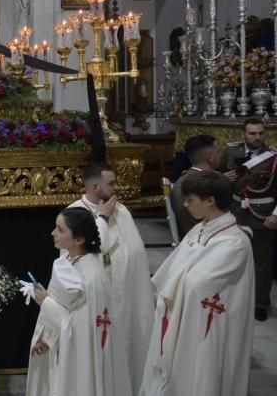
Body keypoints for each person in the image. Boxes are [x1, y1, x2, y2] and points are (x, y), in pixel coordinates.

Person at [139, 171, 254, 396]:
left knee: (199, 375)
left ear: (210, 200)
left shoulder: (234, 243)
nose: (186, 205)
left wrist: (179, 279)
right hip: (179, 315)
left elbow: (196, 284)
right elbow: (171, 272)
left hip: (206, 326)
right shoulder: (201, 228)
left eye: (191, 199)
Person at [26, 207, 132, 396]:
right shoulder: (69, 262)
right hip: (65, 351)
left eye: (60, 229)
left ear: (79, 239)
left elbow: (79, 328)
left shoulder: (92, 278)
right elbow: (68, 317)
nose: (53, 233)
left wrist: (45, 302)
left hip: (81, 362)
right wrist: (48, 338)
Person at [68, 162, 153, 393]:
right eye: (112, 183)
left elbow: (134, 252)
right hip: (97, 301)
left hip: (126, 294)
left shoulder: (122, 211)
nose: (117, 187)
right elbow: (90, 253)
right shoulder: (73, 215)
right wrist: (102, 219)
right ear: (95, 187)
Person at [219, 117, 277, 321]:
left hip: (262, 213)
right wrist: (222, 178)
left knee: (262, 262)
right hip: (235, 210)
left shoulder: (273, 157)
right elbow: (215, 176)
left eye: (261, 133)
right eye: (252, 133)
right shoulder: (231, 151)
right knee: (232, 257)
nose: (257, 137)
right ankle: (233, 299)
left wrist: (276, 214)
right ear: (243, 134)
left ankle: (260, 303)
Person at [170, 135, 221, 237]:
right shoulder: (200, 184)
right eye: (219, 151)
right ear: (210, 157)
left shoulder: (187, 178)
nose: (221, 155)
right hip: (205, 238)